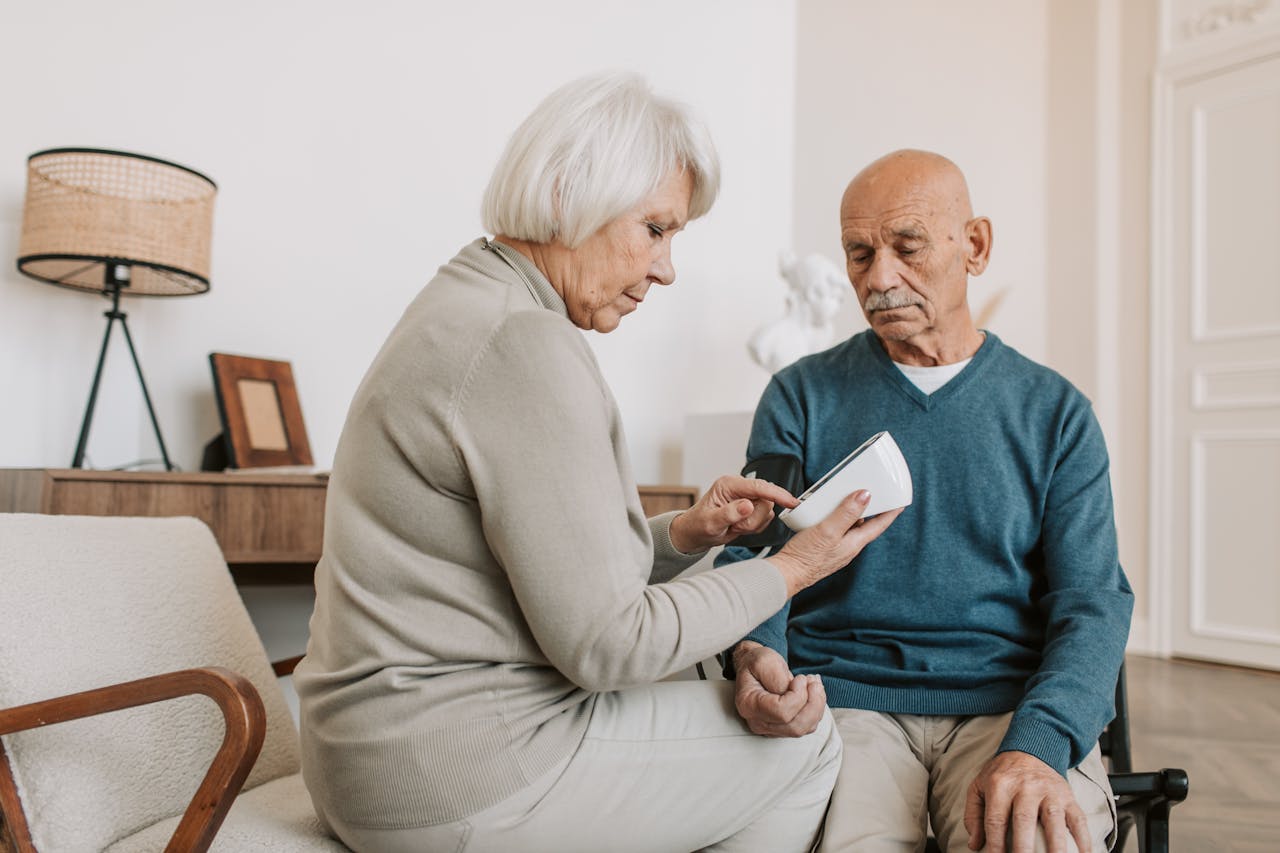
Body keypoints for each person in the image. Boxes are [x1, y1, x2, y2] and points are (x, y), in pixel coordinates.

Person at [293, 72, 901, 853]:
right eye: (655, 229)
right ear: (563, 196)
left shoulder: (471, 298)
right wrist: (795, 566)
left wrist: (682, 532)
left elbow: (549, 561)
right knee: (805, 745)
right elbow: (608, 645)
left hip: (378, 754)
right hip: (449, 774)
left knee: (706, 684)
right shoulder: (525, 343)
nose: (667, 267)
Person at [718, 149, 1134, 853]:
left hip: (1007, 706)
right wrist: (756, 649)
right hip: (846, 702)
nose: (880, 278)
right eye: (858, 255)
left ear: (974, 246)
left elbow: (1092, 602)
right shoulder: (799, 395)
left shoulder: (1056, 413)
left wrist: (1038, 743)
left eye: (906, 247)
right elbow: (757, 552)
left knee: (1034, 840)